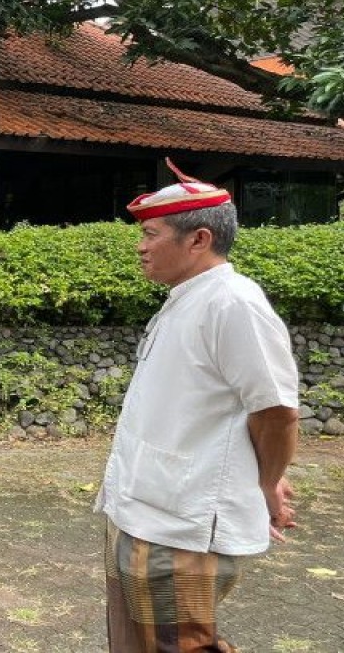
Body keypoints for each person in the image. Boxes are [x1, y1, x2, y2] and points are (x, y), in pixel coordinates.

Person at [94, 164, 300, 652]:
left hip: (182, 524)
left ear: (198, 239)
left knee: (181, 645)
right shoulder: (187, 298)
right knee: (140, 642)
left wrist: (266, 482)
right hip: (146, 507)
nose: (140, 246)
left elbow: (275, 411)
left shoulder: (233, 303)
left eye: (150, 234)